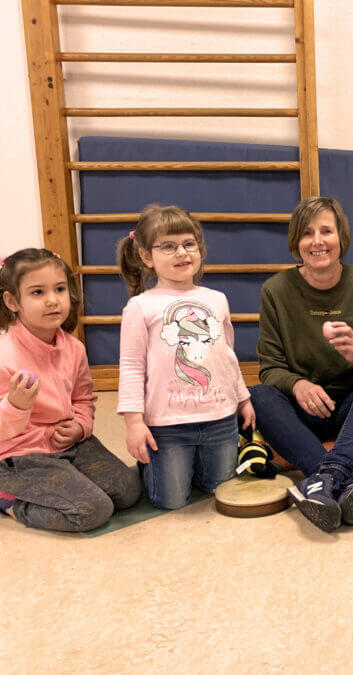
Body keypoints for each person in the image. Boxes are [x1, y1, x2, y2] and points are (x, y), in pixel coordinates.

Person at [249, 196, 353, 533]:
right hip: (301, 412)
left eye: (326, 231)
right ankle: (337, 477)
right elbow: (270, 368)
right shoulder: (275, 290)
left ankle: (325, 477)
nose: (317, 241)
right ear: (296, 242)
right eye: (307, 233)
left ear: (341, 237)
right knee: (257, 396)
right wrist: (297, 384)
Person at [0, 248, 141, 531]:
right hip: (21, 458)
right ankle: (12, 504)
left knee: (128, 492)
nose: (52, 300)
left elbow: (83, 398)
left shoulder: (74, 349)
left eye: (59, 289)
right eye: (37, 292)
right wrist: (15, 406)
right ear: (12, 301)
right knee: (93, 511)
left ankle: (67, 477)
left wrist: (81, 426)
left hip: (71, 445)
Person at [116, 205, 254, 510]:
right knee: (171, 501)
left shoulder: (217, 299)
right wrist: (134, 423)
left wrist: (243, 399)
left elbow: (227, 357)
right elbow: (131, 368)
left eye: (189, 244)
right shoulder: (140, 307)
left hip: (219, 418)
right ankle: (153, 466)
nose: (181, 252)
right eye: (168, 246)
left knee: (217, 488)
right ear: (146, 257)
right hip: (168, 426)